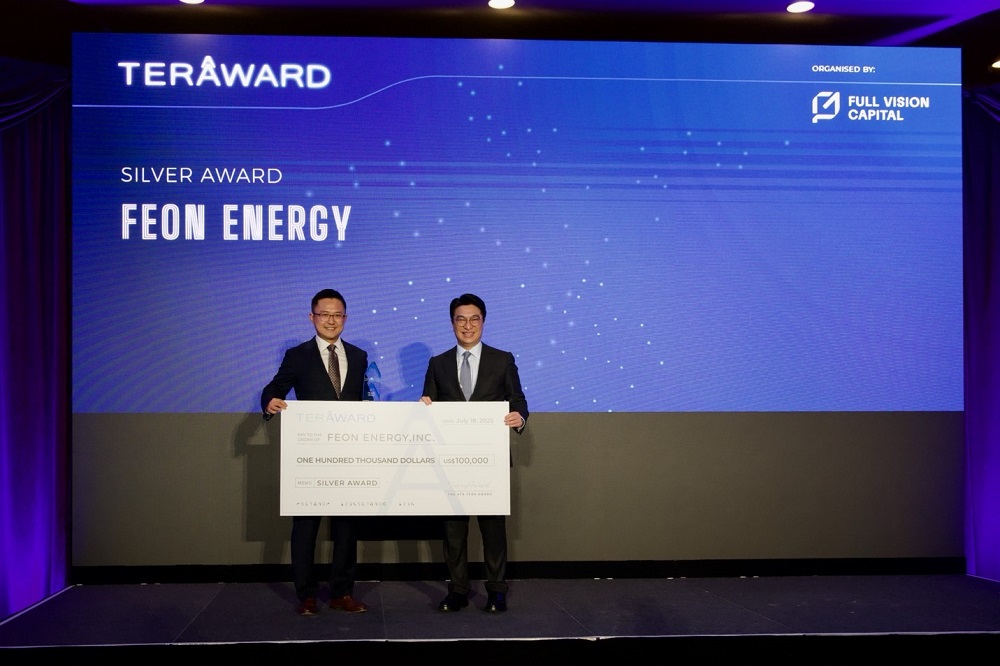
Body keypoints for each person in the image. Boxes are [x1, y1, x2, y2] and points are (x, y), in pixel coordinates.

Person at [261, 288, 369, 616]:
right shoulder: (298, 356)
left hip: (349, 455)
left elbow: (364, 400)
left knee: (347, 526)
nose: (331, 321)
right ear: (312, 317)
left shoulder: (359, 356)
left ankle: (342, 593)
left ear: (345, 318)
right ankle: (306, 595)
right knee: (306, 526)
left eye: (337, 315)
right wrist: (269, 401)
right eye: (324, 314)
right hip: (310, 456)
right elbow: (274, 387)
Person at [421, 293, 528, 613]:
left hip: (490, 459)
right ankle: (458, 590)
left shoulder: (502, 359)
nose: (467, 326)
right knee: (453, 530)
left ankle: (496, 591)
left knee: (493, 529)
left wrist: (519, 417)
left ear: (483, 321)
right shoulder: (438, 363)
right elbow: (429, 404)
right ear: (452, 322)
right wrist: (424, 406)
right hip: (450, 460)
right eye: (461, 319)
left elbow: (518, 400)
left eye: (474, 319)